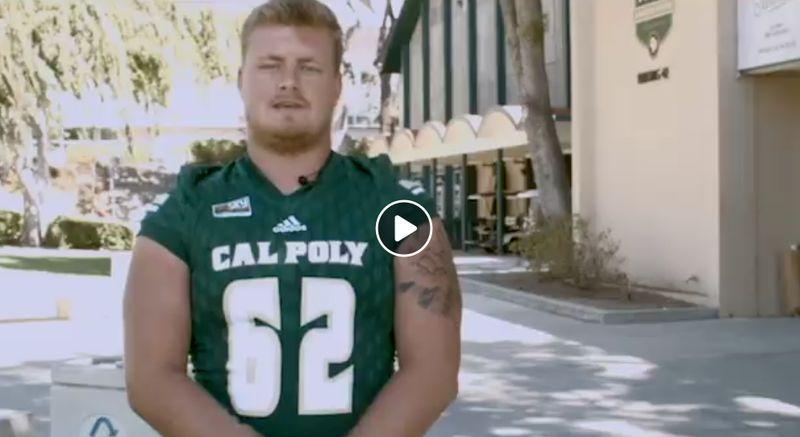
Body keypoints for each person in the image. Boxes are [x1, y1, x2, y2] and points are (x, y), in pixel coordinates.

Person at [122, 1, 462, 436]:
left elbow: (432, 370)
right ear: (241, 81)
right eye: (270, 65)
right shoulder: (186, 212)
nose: (288, 81)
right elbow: (152, 378)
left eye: (309, 67)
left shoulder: (397, 209)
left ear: (337, 86)